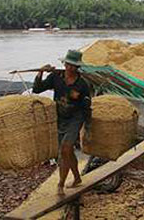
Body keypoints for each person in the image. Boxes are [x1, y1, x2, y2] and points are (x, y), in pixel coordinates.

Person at [33, 49, 91, 196]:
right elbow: (37, 89)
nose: (70, 68)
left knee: (65, 149)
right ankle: (77, 177)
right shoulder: (56, 77)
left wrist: (88, 127)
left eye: (73, 66)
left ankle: (60, 183)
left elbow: (87, 106)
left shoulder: (82, 84)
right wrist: (40, 72)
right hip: (60, 118)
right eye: (68, 64)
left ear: (78, 67)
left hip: (75, 118)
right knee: (67, 151)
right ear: (64, 63)